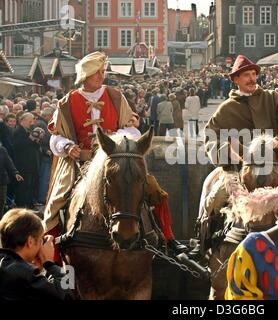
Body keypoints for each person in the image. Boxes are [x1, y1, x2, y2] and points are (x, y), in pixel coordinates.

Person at [44, 52, 186, 263]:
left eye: (102, 72)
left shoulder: (115, 96)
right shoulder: (67, 102)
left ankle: (168, 238)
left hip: (116, 159)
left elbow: (134, 131)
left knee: (153, 189)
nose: (101, 76)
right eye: (96, 73)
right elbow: (55, 137)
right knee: (56, 203)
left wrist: (117, 139)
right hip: (80, 162)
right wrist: (66, 146)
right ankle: (53, 259)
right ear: (85, 75)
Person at [188, 55, 278, 259]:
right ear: (235, 79)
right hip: (239, 166)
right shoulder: (226, 108)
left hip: (276, 160)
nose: (252, 78)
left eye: (254, 74)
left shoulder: (272, 98)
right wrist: (225, 151)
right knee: (212, 199)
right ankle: (203, 246)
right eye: (246, 75)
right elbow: (209, 136)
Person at [0, 209, 73, 300]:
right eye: (40, 240)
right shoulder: (24, 274)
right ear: (30, 242)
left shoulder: (9, 265)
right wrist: (49, 263)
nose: (41, 246)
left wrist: (37, 271)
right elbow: (65, 294)